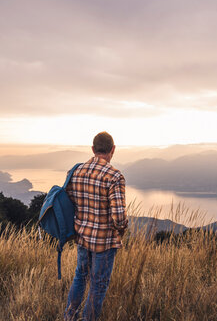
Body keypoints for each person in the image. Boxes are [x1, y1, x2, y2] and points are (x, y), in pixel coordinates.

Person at [64, 131, 128, 321]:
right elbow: (119, 218)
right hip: (104, 242)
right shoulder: (114, 176)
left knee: (80, 277)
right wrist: (122, 227)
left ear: (93, 149)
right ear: (113, 150)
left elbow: (69, 205)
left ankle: (69, 317)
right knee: (98, 285)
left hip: (82, 237)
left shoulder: (75, 171)